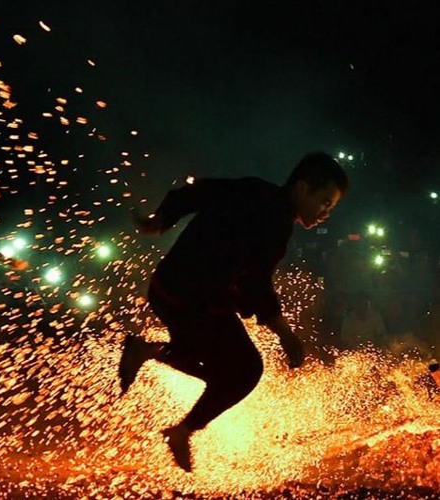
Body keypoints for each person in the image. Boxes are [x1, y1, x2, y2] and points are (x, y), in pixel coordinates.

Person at [119, 152, 348, 471]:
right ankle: (181, 431)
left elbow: (199, 192)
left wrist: (161, 218)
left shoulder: (253, 188)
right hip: (195, 299)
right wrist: (285, 334)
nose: (326, 213)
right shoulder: (276, 221)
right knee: (245, 371)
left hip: (167, 288)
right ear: (302, 188)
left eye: (331, 207)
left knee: (218, 367)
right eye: (324, 202)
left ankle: (147, 352)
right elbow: (256, 281)